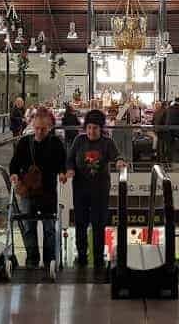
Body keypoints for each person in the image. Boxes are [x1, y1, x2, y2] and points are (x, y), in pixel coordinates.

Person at [64, 109, 125, 270]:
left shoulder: (107, 142)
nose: (91, 131)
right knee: (80, 223)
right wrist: (69, 170)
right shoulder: (79, 140)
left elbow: (116, 156)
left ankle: (98, 257)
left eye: (95, 128)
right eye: (89, 128)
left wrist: (119, 162)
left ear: (101, 129)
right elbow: (69, 159)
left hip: (100, 191)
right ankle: (82, 255)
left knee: (99, 224)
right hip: (80, 189)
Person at [9, 107, 66, 271]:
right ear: (32, 126)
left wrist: (62, 173)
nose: (40, 131)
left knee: (49, 226)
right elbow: (14, 163)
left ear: (49, 127)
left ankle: (49, 260)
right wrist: (13, 174)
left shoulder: (55, 143)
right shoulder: (24, 142)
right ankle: (32, 258)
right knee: (28, 227)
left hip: (48, 191)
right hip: (28, 190)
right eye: (37, 128)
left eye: (44, 128)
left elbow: (62, 162)